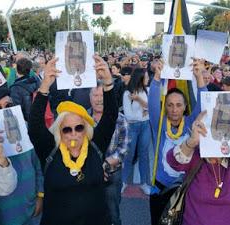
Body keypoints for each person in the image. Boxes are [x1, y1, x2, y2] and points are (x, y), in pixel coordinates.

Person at [28, 56, 118, 225]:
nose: (74, 133)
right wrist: (45, 86)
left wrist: (107, 82)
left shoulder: (95, 146)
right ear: (59, 131)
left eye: (79, 127)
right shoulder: (50, 150)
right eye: (67, 129)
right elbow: (34, 126)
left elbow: (110, 116)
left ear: (86, 129)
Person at [0, 87, 44, 225]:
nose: (4, 111)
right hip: (4, 213)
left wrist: (40, 194)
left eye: (8, 105)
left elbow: (36, 163)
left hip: (31, 208)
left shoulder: (24, 127)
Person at [148, 59, 206, 225]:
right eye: (170, 105)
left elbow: (204, 104)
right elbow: (152, 101)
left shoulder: (190, 123)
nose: (174, 110)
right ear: (165, 106)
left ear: (185, 106)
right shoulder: (159, 124)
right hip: (161, 189)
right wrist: (157, 77)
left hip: (186, 188)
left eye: (179, 105)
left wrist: (199, 77)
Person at [89, 85, 129, 225]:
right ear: (90, 98)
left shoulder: (120, 119)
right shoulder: (82, 119)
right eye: (95, 95)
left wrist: (104, 165)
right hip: (87, 177)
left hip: (112, 174)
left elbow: (123, 149)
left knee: (113, 213)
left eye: (102, 96)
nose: (99, 99)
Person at [122, 67, 152, 194]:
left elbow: (152, 107)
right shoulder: (127, 94)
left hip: (145, 126)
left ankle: (144, 183)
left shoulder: (148, 90)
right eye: (145, 77)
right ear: (139, 78)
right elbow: (128, 115)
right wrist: (143, 113)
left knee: (144, 155)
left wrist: (139, 100)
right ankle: (123, 182)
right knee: (129, 155)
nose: (148, 79)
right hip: (132, 127)